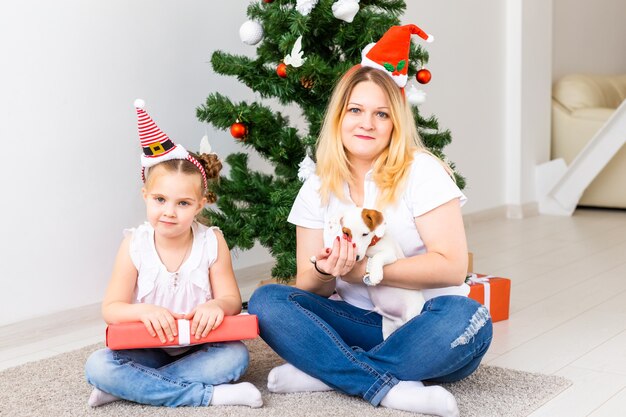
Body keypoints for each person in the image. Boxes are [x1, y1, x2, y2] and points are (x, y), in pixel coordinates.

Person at [248, 25, 492, 417]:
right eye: (356, 111)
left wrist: (363, 270)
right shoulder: (316, 187)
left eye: (381, 114)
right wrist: (328, 270)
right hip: (364, 324)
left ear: (395, 122)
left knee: (469, 320)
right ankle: (388, 386)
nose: (368, 124)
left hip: (424, 321)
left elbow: (452, 267)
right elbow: (309, 285)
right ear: (339, 118)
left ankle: (331, 374)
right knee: (267, 301)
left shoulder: (422, 171)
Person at [84, 100, 262, 408]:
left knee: (235, 357)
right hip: (146, 346)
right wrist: (144, 312)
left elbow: (232, 301)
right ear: (146, 196)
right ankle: (210, 395)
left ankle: (129, 387)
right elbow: (112, 309)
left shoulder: (212, 241)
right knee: (98, 365)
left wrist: (216, 305)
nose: (169, 212)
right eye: (160, 200)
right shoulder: (134, 244)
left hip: (201, 346)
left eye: (182, 203)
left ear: (200, 204)